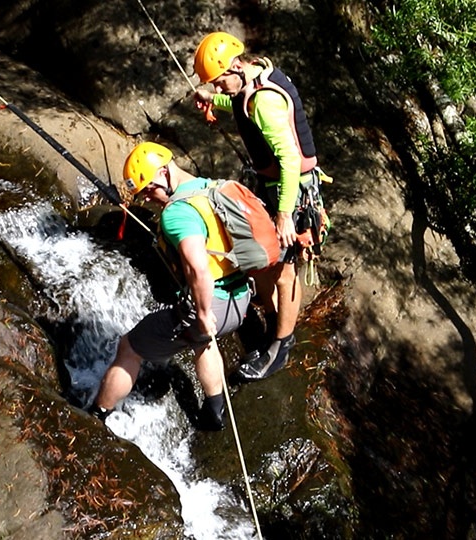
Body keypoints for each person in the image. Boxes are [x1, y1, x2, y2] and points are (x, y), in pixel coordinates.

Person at [89, 142, 253, 430]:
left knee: (129, 347)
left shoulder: (177, 213)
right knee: (204, 342)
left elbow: (199, 269)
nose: (150, 199)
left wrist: (202, 314)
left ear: (164, 172)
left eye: (150, 189)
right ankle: (215, 410)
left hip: (210, 301)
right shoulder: (208, 187)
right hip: (239, 300)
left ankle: (97, 414)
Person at [192, 31, 322, 380]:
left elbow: (290, 159)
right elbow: (238, 102)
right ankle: (274, 324)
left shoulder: (265, 102)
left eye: (218, 82)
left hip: (291, 192)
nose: (218, 88)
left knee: (282, 270)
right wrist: (211, 98)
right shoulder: (250, 81)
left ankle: (280, 346)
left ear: (236, 66)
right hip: (274, 186)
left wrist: (284, 215)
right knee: (264, 262)